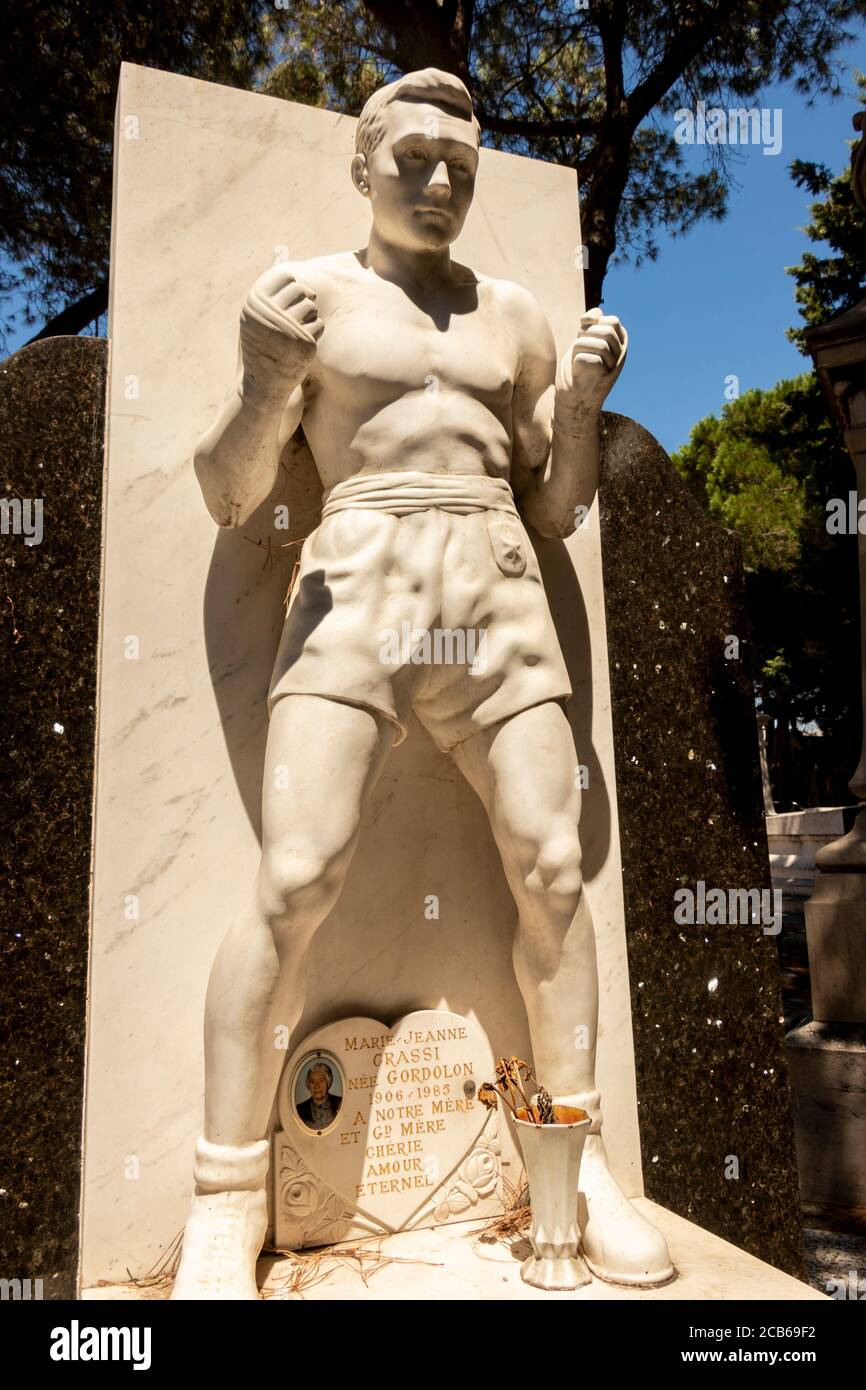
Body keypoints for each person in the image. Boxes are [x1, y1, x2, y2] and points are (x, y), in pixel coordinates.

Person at [172, 67, 673, 1299]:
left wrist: (580, 404)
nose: (440, 180)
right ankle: (222, 1195)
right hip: (357, 582)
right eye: (413, 159)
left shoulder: (512, 316)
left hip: (495, 585)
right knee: (294, 876)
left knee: (552, 868)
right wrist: (260, 380)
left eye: (460, 162)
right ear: (363, 165)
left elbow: (552, 509)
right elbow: (231, 496)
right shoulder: (309, 299)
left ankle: (575, 1164)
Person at [295, 1062, 341, 1131]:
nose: (317, 1086)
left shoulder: (341, 1103)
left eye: (321, 1080)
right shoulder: (299, 1110)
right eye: (312, 1082)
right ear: (308, 1085)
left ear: (328, 1082)